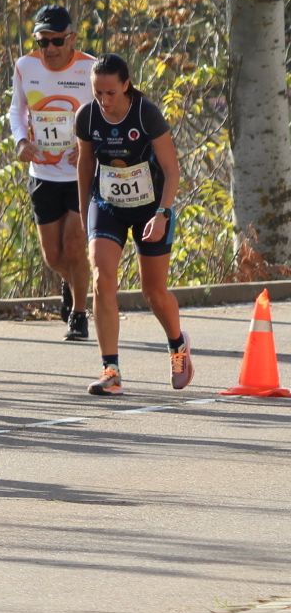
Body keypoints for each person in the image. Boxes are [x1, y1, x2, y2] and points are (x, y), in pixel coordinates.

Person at [74, 54, 191, 396]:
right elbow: (84, 165)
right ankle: (111, 371)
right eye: (98, 93)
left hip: (150, 208)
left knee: (153, 291)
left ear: (126, 85)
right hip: (108, 204)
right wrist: (84, 214)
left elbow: (172, 170)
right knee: (101, 277)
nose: (104, 101)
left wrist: (163, 213)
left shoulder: (146, 113)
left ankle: (178, 346)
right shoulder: (88, 116)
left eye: (110, 92)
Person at [8, 4, 96, 341]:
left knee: (75, 247)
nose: (50, 49)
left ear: (71, 38)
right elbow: (16, 110)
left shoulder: (89, 68)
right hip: (43, 172)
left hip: (79, 174)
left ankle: (78, 314)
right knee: (53, 255)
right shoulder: (25, 66)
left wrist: (88, 148)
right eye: (43, 42)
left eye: (57, 41)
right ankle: (71, 283)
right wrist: (20, 142)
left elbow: (103, 115)